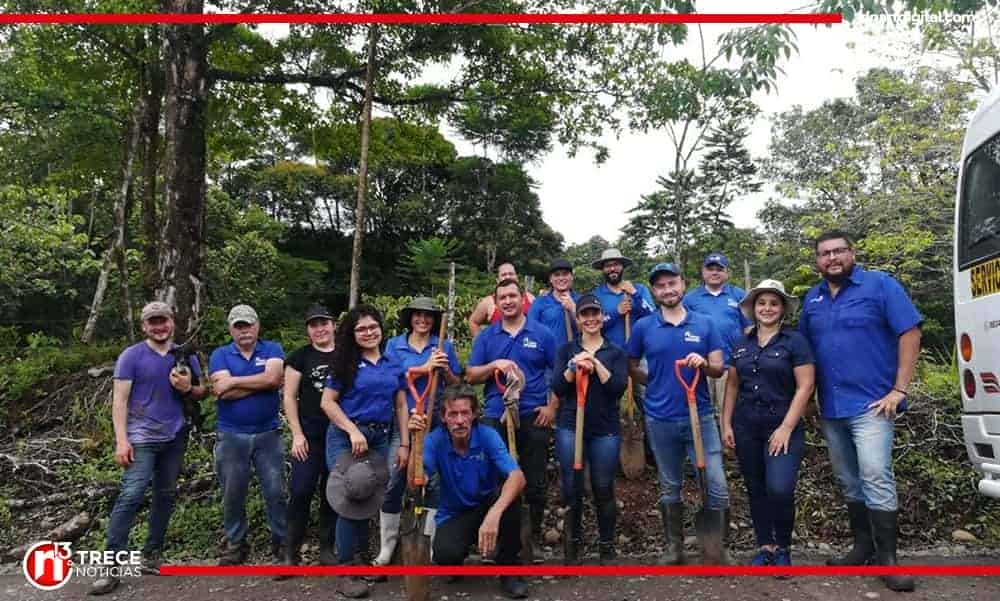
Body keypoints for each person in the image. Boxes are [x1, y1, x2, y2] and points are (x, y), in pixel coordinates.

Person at [799, 230, 922, 592]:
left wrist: (899, 389)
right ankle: (863, 546)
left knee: (875, 474)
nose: (832, 258)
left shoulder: (880, 285)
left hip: (872, 405)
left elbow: (910, 332)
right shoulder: (812, 299)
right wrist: (806, 399)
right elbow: (804, 353)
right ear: (817, 260)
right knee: (849, 480)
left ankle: (888, 560)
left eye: (838, 251)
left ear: (852, 253)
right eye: (824, 253)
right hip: (831, 406)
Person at [90, 302, 207, 595]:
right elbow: (120, 400)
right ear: (145, 326)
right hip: (140, 437)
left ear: (172, 322)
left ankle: (151, 555)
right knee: (131, 495)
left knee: (165, 495)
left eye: (163, 321)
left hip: (175, 434)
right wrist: (121, 439)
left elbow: (201, 390)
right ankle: (111, 566)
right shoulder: (131, 356)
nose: (159, 327)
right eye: (153, 322)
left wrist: (188, 389)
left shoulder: (184, 353)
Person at [627, 263, 729, 565]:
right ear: (655, 292)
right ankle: (675, 548)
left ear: (682, 284)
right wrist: (652, 381)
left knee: (716, 482)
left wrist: (703, 365)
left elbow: (719, 367)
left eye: (672, 283)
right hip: (660, 418)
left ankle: (716, 547)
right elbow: (631, 365)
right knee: (670, 484)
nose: (667, 290)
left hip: (701, 417)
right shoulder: (644, 327)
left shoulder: (705, 324)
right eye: (660, 286)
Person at [720, 280, 815, 569]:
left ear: (782, 308)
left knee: (780, 488)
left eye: (774, 303)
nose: (767, 308)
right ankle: (766, 547)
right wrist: (726, 423)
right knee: (756, 488)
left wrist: (786, 427)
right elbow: (733, 385)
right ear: (753, 308)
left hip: (782, 426)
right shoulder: (741, 343)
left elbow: (806, 385)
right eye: (762, 303)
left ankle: (784, 548)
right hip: (747, 426)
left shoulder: (795, 341)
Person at [320, 305, 410, 599]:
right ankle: (346, 571)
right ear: (352, 333)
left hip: (381, 437)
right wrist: (352, 430)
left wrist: (405, 443)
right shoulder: (344, 363)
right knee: (350, 498)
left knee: (370, 500)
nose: (369, 332)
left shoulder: (391, 362)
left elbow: (400, 405)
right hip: (348, 438)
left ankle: (359, 560)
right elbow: (328, 403)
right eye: (361, 329)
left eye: (373, 327)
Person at [408, 384, 529, 599]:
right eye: (453, 414)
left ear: (473, 414)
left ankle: (509, 570)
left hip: (488, 505)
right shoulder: (434, 440)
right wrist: (414, 443)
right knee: (445, 556)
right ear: (444, 418)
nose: (460, 420)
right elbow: (415, 482)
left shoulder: (487, 435)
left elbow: (518, 477)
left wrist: (493, 515)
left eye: (465, 413)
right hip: (455, 512)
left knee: (511, 497)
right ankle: (458, 559)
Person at [466, 278, 557, 553]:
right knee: (496, 479)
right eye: (502, 297)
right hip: (496, 416)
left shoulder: (542, 334)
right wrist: (495, 364)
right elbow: (470, 376)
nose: (507, 301)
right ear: (496, 302)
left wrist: (552, 407)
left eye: (512, 296)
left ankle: (533, 538)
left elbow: (557, 374)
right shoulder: (487, 337)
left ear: (522, 299)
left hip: (533, 415)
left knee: (535, 480)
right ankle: (499, 539)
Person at [377, 297, 463, 567]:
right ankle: (387, 546)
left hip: (435, 426)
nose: (423, 320)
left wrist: (444, 367)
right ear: (410, 318)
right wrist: (422, 368)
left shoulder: (442, 345)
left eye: (428, 316)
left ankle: (428, 545)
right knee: (394, 481)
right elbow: (388, 377)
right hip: (403, 424)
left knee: (435, 484)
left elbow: (457, 384)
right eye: (418, 315)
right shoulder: (394, 345)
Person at [550, 294, 628, 565]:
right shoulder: (565, 350)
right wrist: (573, 367)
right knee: (572, 486)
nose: (591, 318)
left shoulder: (615, 352)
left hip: (605, 429)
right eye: (585, 314)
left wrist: (595, 364)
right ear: (578, 319)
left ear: (603, 317)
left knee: (603, 487)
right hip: (571, 425)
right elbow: (558, 388)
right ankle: (573, 544)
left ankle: (606, 546)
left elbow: (617, 388)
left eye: (596, 313)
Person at [208, 304, 287, 566]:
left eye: (248, 325)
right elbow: (222, 392)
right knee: (233, 492)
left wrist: (234, 381)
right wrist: (260, 382)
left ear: (257, 325)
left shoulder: (272, 348)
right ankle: (236, 544)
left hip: (268, 433)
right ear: (231, 329)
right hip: (231, 435)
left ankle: (281, 542)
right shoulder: (220, 354)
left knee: (275, 491)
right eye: (239, 326)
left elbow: (274, 379)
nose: (244, 331)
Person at [282, 304, 338, 569]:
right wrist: (296, 434)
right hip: (309, 435)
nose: (320, 329)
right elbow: (289, 397)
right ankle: (290, 552)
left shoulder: (346, 355)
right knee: (301, 489)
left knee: (333, 492)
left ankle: (327, 549)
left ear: (333, 325)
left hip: (338, 435)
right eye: (314, 324)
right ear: (308, 330)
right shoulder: (299, 357)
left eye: (324, 323)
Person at [683, 253, 751, 412]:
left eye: (719, 269)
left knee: (729, 412)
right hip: (699, 367)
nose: (714, 273)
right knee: (702, 412)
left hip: (731, 366)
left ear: (726, 272)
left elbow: (749, 329)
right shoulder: (690, 299)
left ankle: (726, 437)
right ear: (703, 272)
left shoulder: (738, 295)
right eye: (710, 269)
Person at [590, 248, 655, 350]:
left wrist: (635, 294)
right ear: (602, 269)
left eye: (616, 264)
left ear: (622, 266)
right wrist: (617, 312)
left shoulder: (639, 289)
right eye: (607, 266)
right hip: (608, 355)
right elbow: (594, 325)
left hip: (639, 355)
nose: (612, 269)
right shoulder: (596, 295)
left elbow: (652, 317)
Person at [468, 262, 536, 338]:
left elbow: (538, 324)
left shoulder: (530, 298)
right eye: (504, 274)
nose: (508, 277)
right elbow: (473, 322)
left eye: (511, 274)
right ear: (497, 280)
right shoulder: (488, 302)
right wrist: (482, 343)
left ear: (516, 278)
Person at [527, 258, 580, 343]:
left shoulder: (582, 301)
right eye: (557, 275)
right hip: (548, 354)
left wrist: (573, 309)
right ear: (551, 279)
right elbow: (529, 331)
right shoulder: (539, 302)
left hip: (575, 354)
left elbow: (589, 330)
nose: (561, 278)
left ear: (572, 277)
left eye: (565, 274)